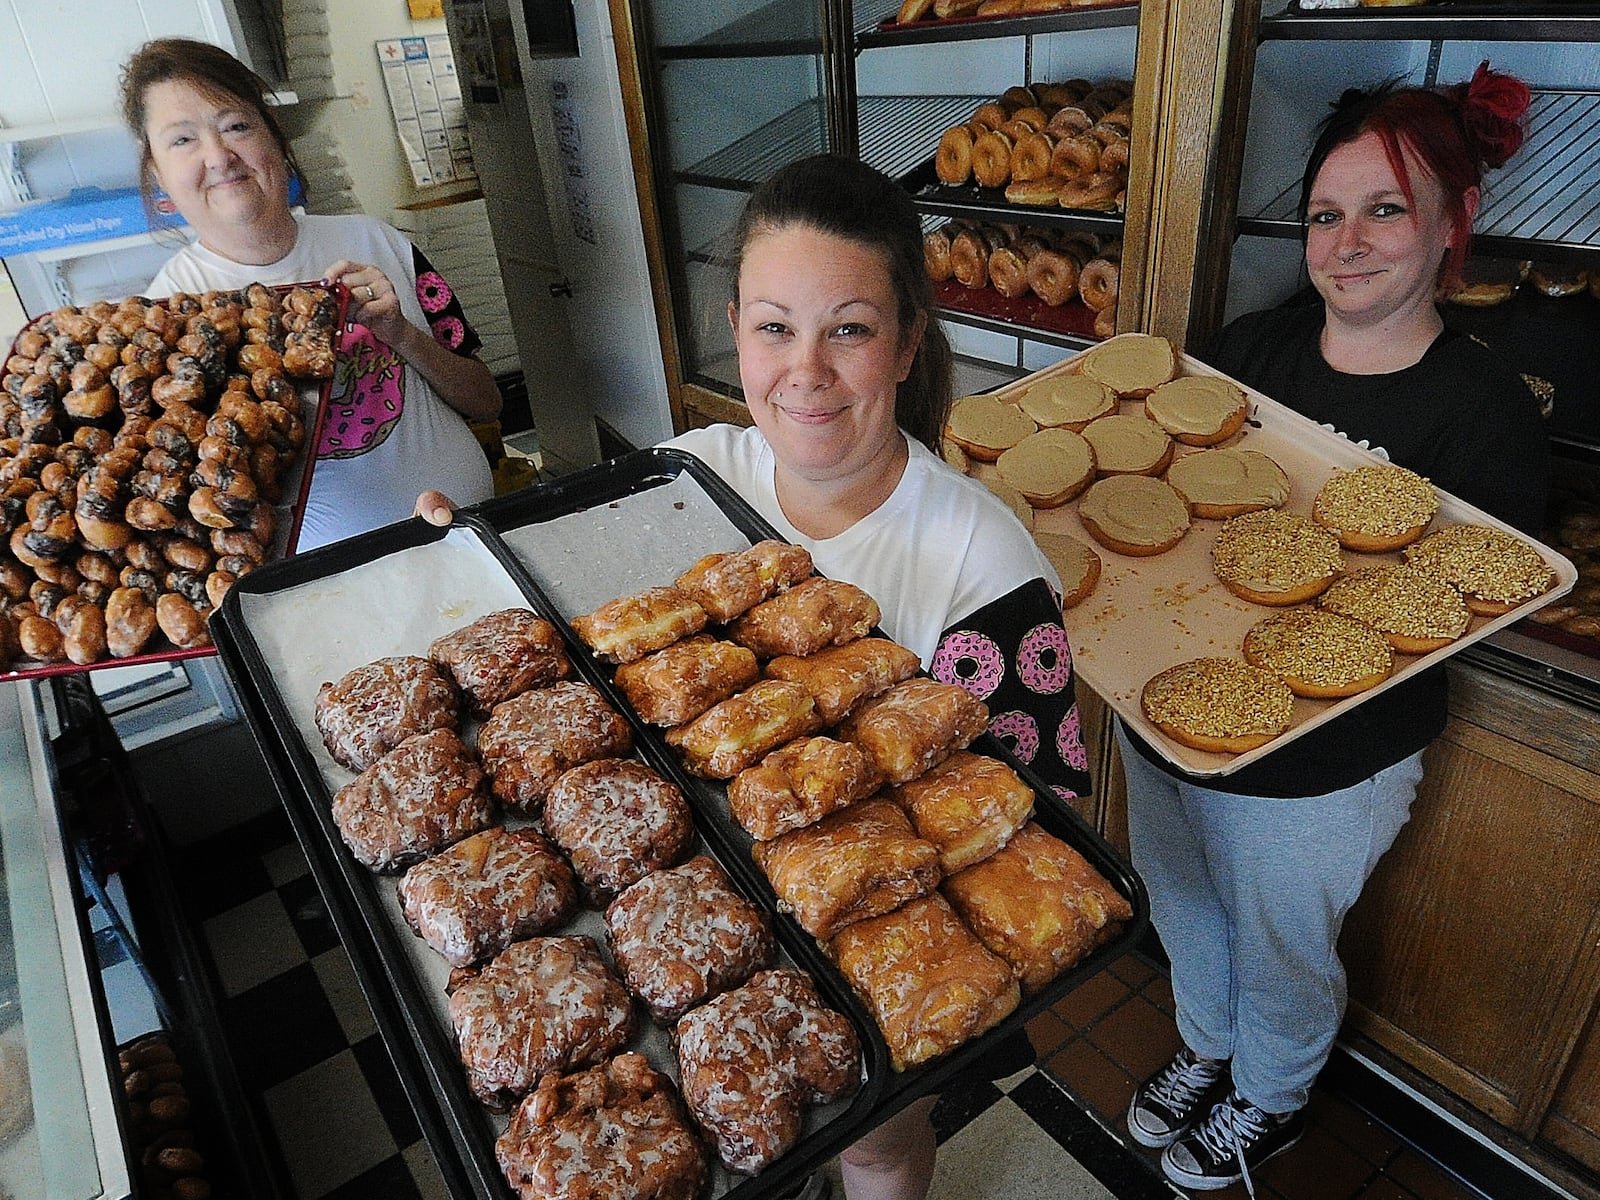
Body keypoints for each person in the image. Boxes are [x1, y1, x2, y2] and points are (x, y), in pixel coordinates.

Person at [422, 152, 1095, 1200]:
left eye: (852, 329)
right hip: (689, 894)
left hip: (876, 929)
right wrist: (460, 558)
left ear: (910, 343)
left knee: (867, 1140)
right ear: (733, 327)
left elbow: (1031, 816)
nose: (806, 370)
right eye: (775, 326)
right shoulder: (696, 474)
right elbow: (585, 614)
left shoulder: (981, 564)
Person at [1119, 64, 1550, 1193]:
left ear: (1454, 225)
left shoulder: (1481, 409)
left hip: (1329, 764)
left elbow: (1461, 603)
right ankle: (1207, 1048)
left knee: (1280, 943)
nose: (1344, 242)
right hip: (1171, 705)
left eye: (1382, 210)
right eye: (1324, 213)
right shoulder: (1246, 356)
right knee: (1184, 902)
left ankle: (1267, 1096)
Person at [120, 37, 501, 550]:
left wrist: (401, 334)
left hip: (475, 534)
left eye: (236, 125)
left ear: (274, 140)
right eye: (182, 140)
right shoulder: (164, 318)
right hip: (326, 590)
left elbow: (487, 400)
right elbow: (189, 519)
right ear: (157, 173)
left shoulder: (377, 242)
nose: (219, 155)